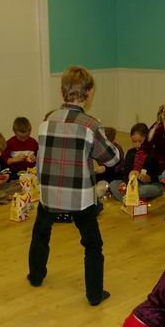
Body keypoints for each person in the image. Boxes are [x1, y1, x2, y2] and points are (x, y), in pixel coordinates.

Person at [27, 66, 120, 306]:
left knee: (40, 234)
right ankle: (94, 294)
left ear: (61, 92)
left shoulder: (47, 120)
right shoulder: (91, 125)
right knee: (92, 244)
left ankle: (36, 276)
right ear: (89, 94)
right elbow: (111, 159)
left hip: (48, 193)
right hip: (80, 197)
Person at [110, 123, 164, 203]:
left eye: (140, 141)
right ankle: (133, 200)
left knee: (143, 191)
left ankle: (133, 198)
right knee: (113, 184)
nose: (137, 144)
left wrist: (150, 178)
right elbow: (126, 172)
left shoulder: (154, 154)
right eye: (134, 141)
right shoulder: (130, 153)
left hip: (152, 184)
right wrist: (125, 182)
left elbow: (161, 175)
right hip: (135, 185)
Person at [94, 127, 125, 198]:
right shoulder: (99, 149)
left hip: (116, 175)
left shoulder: (117, 149)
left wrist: (105, 168)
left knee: (99, 190)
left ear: (112, 141)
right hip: (105, 173)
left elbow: (118, 168)